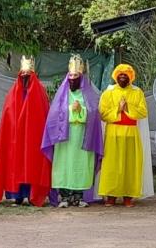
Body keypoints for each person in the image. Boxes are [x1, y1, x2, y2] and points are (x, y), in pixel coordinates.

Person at [40, 55, 104, 208]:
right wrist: (70, 109)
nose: (73, 78)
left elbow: (94, 112)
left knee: (80, 165)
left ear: (81, 77)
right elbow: (54, 113)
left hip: (83, 136)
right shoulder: (62, 95)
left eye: (76, 75)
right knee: (64, 164)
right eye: (71, 75)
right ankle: (64, 196)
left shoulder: (87, 95)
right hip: (65, 137)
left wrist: (82, 110)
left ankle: (79, 196)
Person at [0, 56, 52, 207]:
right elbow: (8, 115)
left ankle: (32, 194)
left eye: (28, 76)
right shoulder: (12, 93)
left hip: (33, 138)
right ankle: (16, 195)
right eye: (22, 75)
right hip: (15, 138)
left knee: (31, 164)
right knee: (15, 164)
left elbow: (43, 115)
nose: (25, 78)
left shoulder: (40, 92)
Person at [98, 64, 148, 207]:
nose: (122, 77)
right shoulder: (108, 93)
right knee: (112, 165)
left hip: (131, 133)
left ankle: (128, 196)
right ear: (115, 76)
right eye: (120, 75)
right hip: (113, 132)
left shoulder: (137, 93)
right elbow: (102, 114)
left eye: (126, 75)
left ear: (130, 77)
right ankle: (111, 196)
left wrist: (127, 108)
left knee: (130, 165)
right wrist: (118, 109)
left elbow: (143, 112)